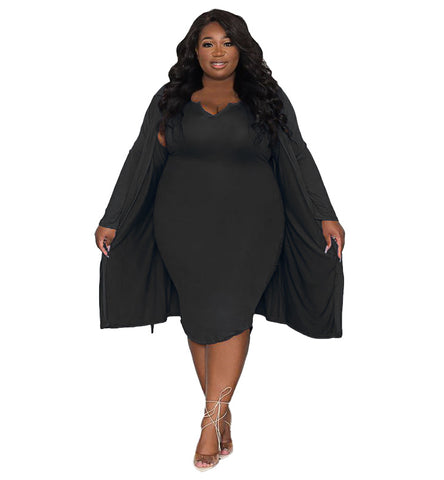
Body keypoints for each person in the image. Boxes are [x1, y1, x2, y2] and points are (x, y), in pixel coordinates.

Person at [94, 8, 345, 471]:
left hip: (253, 226)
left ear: (241, 49)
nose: (218, 52)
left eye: (227, 43)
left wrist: (323, 213)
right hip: (182, 225)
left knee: (231, 312)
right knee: (199, 318)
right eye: (208, 43)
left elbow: (297, 154)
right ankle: (222, 412)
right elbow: (142, 157)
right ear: (195, 49)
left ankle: (209, 422)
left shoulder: (266, 97)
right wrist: (114, 217)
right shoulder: (170, 98)